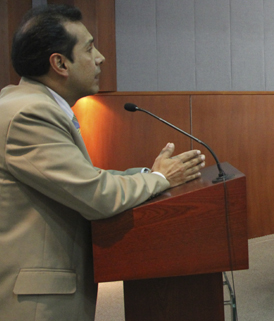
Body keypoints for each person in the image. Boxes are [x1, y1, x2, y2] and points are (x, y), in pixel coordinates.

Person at [0, 5, 206, 321]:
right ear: (60, 63)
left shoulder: (26, 102)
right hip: (38, 302)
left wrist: (149, 173)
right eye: (89, 47)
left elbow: (82, 178)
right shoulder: (31, 114)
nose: (100, 58)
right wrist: (160, 179)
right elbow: (96, 195)